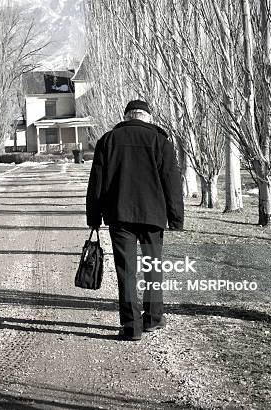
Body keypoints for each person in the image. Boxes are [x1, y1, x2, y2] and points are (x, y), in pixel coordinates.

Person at [86, 100, 184, 341]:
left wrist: (94, 216)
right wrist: (176, 218)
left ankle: (131, 327)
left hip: (120, 215)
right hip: (153, 216)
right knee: (153, 268)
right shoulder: (161, 141)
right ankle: (153, 318)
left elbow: (97, 182)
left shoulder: (108, 141)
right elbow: (172, 183)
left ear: (127, 117)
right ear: (147, 117)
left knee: (126, 271)